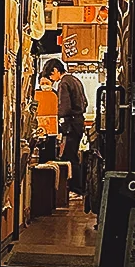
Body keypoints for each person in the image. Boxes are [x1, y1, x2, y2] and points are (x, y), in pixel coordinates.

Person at [41, 58, 86, 195]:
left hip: (71, 125)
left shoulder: (64, 82)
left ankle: (75, 189)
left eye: (50, 75)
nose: (52, 80)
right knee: (73, 156)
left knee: (69, 157)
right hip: (78, 123)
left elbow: (64, 108)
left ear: (55, 70)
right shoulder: (75, 80)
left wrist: (55, 116)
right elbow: (85, 102)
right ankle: (78, 188)